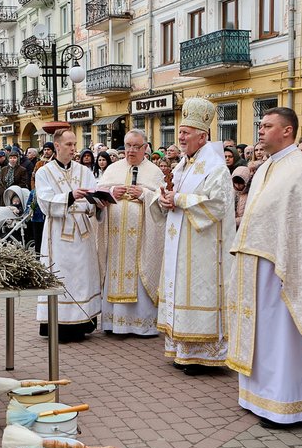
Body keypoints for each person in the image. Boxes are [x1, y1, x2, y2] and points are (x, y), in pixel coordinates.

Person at [226, 107, 302, 428]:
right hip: (259, 267)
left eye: (267, 126)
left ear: (287, 131)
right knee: (263, 336)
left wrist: (295, 270)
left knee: (283, 336)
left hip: (285, 269)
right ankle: (258, 398)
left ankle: (286, 405)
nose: (260, 131)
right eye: (260, 125)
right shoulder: (266, 167)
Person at [153, 98, 236, 374]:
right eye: (180, 132)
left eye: (186, 133)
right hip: (180, 242)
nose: (180, 137)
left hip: (203, 247)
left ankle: (205, 355)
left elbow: (219, 204)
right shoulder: (183, 165)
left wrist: (179, 199)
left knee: (198, 291)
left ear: (203, 136)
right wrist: (164, 199)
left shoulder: (216, 167)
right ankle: (183, 350)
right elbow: (172, 195)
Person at [35, 128, 103, 340]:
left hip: (82, 233)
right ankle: (59, 324)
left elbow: (93, 200)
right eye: (69, 145)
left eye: (74, 144)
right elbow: (45, 202)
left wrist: (100, 202)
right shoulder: (43, 172)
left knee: (82, 275)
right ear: (56, 146)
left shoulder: (84, 171)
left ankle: (84, 321)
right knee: (62, 275)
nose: (74, 148)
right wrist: (71, 196)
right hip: (58, 235)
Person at [96, 129, 165, 337]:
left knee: (139, 275)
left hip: (141, 240)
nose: (131, 151)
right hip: (115, 240)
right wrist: (109, 193)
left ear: (145, 148)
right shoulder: (112, 170)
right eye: (128, 146)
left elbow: (163, 204)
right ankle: (114, 323)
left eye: (136, 146)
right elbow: (97, 198)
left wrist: (144, 194)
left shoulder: (154, 172)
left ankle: (141, 324)